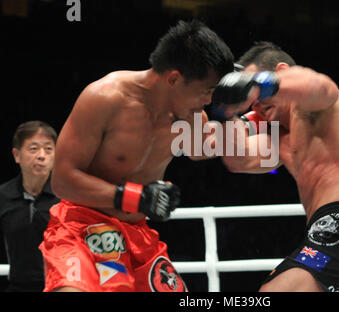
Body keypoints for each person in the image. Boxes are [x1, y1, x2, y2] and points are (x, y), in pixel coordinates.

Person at [39, 20, 235, 292]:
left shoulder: (190, 118)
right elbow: (62, 181)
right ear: (174, 79)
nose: (208, 102)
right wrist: (136, 197)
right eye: (206, 92)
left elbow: (209, 148)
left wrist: (253, 108)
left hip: (137, 235)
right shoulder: (105, 98)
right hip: (80, 228)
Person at [212, 41, 339, 292]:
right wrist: (227, 112)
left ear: (283, 72)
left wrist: (259, 85)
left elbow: (318, 86)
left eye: (256, 93)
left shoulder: (317, 108)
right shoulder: (281, 138)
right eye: (250, 99)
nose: (254, 104)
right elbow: (238, 160)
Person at [0, 121, 59, 292]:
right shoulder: (3, 196)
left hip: (60, 287)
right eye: (33, 149)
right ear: (16, 155)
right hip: (17, 287)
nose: (42, 155)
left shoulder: (68, 198)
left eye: (48, 149)